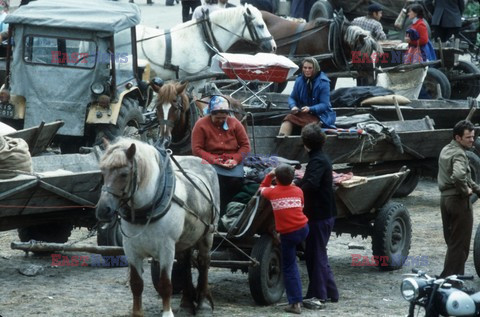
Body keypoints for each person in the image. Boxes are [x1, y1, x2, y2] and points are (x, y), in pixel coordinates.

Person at [295, 123, 338, 303]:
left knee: (315, 254)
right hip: (323, 213)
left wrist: (294, 188)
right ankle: (330, 292)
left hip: (319, 214)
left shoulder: (317, 160)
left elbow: (311, 185)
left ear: (306, 144)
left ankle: (317, 294)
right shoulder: (319, 158)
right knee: (318, 253)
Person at [260, 164, 309, 315]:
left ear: (277, 179)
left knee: (289, 267)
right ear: (292, 178)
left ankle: (295, 303)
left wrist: (269, 175)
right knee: (293, 260)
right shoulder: (298, 190)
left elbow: (261, 187)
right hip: (304, 228)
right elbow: (300, 206)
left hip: (288, 233)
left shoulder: (273, 192)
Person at [191, 95, 251, 215]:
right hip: (209, 160)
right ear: (210, 114)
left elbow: (245, 146)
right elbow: (197, 149)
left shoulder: (234, 123)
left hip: (231, 160)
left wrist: (235, 159)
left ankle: (230, 211)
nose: (221, 120)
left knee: (236, 181)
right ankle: (215, 211)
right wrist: (215, 160)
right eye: (217, 118)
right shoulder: (201, 124)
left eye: (223, 118)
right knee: (215, 180)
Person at [438, 120, 480, 278]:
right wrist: (465, 191)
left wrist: (476, 190)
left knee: (453, 242)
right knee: (460, 244)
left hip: (446, 200)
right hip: (458, 201)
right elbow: (458, 176)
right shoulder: (459, 154)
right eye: (468, 137)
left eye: (473, 136)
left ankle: (449, 278)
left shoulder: (446, 149)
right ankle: (452, 280)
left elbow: (466, 178)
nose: (472, 140)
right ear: (458, 137)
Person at [278, 57, 336, 136]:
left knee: (307, 128)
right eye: (305, 68)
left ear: (315, 68)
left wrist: (310, 108)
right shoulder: (299, 80)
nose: (307, 70)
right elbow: (292, 97)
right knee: (287, 120)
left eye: (310, 68)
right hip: (303, 113)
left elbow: (324, 105)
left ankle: (304, 146)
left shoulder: (323, 83)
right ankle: (281, 143)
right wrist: (293, 106)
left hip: (320, 115)